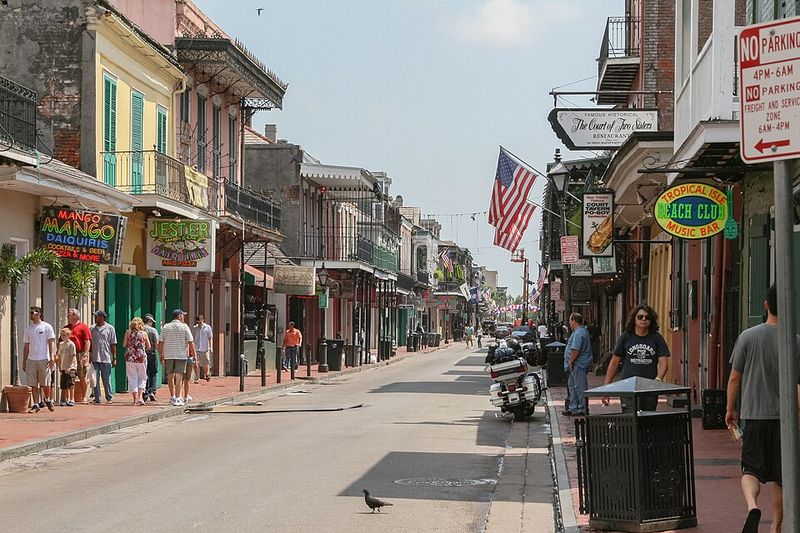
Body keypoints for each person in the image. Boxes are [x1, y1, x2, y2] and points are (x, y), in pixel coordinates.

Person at [725, 284, 800, 533]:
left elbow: (735, 378)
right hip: (784, 420)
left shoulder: (747, 337)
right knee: (782, 477)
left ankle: (752, 506)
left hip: (754, 415)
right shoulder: (795, 341)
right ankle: (776, 527)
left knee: (750, 470)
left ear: (765, 304)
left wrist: (729, 409)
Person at [601, 304, 669, 412]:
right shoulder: (626, 337)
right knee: (630, 419)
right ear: (634, 319)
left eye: (647, 317)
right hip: (628, 387)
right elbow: (614, 362)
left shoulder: (657, 338)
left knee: (647, 421)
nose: (644, 319)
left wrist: (658, 379)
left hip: (649, 388)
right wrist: (606, 388)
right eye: (640, 317)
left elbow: (663, 363)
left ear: (651, 320)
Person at [22, 306, 57, 412]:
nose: (31, 314)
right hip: (31, 359)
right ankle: (36, 403)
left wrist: (51, 357)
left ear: (39, 314)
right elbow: (26, 346)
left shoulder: (47, 327)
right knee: (33, 383)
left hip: (43, 358)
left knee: (45, 382)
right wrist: (24, 360)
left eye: (33, 312)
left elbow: (51, 342)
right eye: (30, 312)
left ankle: (47, 399)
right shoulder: (28, 329)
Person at [157, 309, 195, 407]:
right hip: (181, 355)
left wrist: (160, 354)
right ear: (179, 317)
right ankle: (178, 397)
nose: (184, 317)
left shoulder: (166, 327)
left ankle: (172, 396)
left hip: (168, 354)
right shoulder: (184, 327)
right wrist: (194, 355)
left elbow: (160, 342)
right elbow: (191, 341)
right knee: (179, 376)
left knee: (170, 375)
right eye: (183, 315)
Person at [562, 312, 593, 417]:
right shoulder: (579, 332)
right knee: (572, 386)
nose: (570, 323)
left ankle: (582, 408)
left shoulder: (579, 333)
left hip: (578, 364)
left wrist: (571, 361)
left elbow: (576, 349)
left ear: (574, 320)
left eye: (570, 320)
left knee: (579, 386)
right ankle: (573, 407)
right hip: (575, 364)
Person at [65, 308, 91, 404]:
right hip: (68, 354)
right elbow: (61, 341)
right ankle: (68, 398)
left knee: (82, 375)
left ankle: (84, 396)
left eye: (69, 314)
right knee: (69, 376)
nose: (67, 316)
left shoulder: (83, 327)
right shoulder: (67, 328)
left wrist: (85, 354)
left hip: (80, 354)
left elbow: (87, 341)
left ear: (75, 316)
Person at [90, 310, 117, 404]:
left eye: (96, 316)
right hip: (94, 358)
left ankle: (109, 397)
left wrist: (114, 358)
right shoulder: (92, 328)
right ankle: (97, 397)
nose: (95, 318)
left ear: (102, 318)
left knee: (106, 379)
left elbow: (113, 344)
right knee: (95, 379)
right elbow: (90, 343)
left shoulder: (110, 328)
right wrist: (89, 354)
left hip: (106, 357)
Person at [123, 317, 151, 406]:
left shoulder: (128, 332)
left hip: (130, 357)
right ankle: (140, 397)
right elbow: (149, 346)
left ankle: (135, 400)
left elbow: (124, 344)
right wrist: (141, 348)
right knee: (142, 377)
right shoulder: (144, 334)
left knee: (132, 377)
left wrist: (130, 345)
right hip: (141, 357)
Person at [56, 327, 77, 406]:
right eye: (61, 335)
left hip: (71, 367)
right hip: (63, 367)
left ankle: (71, 399)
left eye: (64, 335)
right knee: (64, 383)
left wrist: (69, 366)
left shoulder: (71, 345)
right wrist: (59, 365)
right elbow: (59, 355)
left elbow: (72, 356)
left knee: (70, 383)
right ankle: (64, 399)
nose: (62, 336)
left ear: (69, 335)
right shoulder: (61, 344)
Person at [143, 314, 159, 402]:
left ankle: (145, 392)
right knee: (153, 372)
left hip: (142, 354)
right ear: (149, 321)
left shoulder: (140, 330)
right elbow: (156, 343)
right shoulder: (153, 331)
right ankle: (152, 391)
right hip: (151, 353)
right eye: (151, 322)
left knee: (143, 374)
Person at [192, 314, 213, 382]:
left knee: (205, 363)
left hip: (205, 348)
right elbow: (192, 338)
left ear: (203, 320)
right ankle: (197, 377)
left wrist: (210, 347)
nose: (199, 324)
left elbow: (210, 338)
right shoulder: (195, 328)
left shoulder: (207, 327)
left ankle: (206, 374)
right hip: (197, 348)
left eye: (200, 322)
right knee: (196, 363)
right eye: (198, 322)